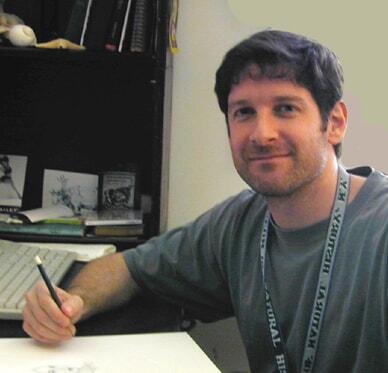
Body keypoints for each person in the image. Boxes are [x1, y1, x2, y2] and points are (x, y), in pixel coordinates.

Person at [23, 30, 388, 373]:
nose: (262, 134)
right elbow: (127, 268)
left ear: (335, 122)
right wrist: (72, 303)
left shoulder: (380, 228)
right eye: (244, 112)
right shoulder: (239, 223)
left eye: (286, 108)